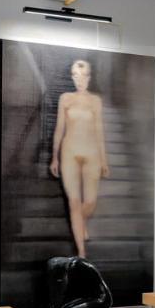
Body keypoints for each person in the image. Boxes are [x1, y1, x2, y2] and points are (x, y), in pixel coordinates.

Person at [49, 58, 109, 259]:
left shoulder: (95, 101)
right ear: (72, 77)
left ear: (89, 77)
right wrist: (54, 157)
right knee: (74, 202)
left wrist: (103, 159)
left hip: (91, 153)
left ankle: (80, 224)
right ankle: (81, 251)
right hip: (69, 154)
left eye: (83, 75)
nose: (80, 79)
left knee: (90, 201)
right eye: (76, 75)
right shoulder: (65, 98)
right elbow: (59, 129)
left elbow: (99, 131)